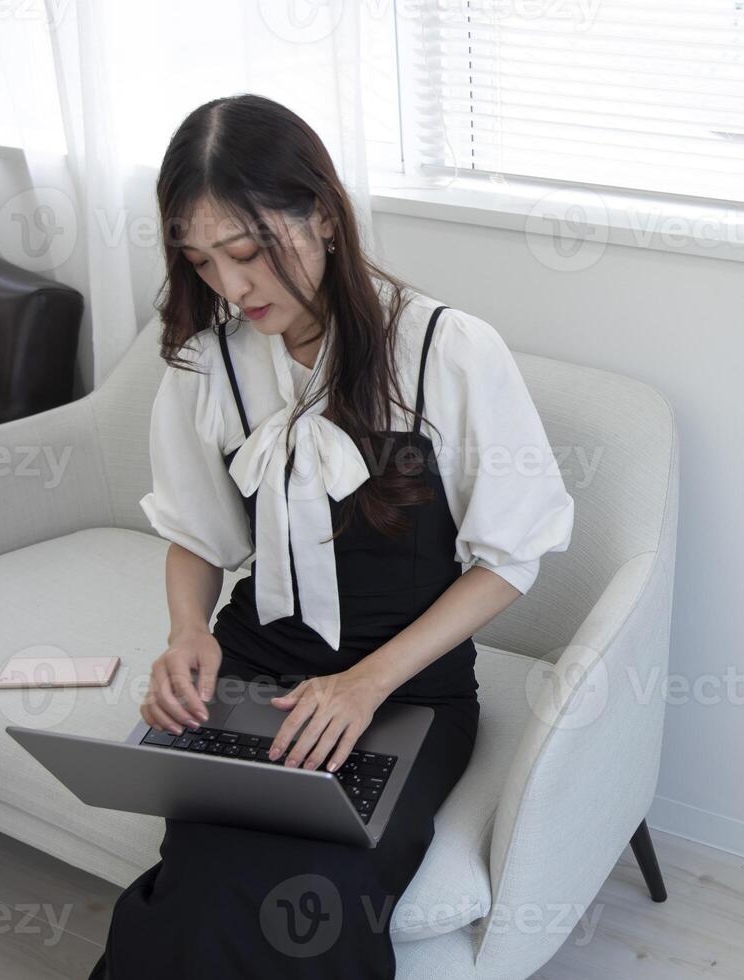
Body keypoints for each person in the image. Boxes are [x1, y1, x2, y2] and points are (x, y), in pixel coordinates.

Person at [87, 93, 575, 979]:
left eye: (246, 253)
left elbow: (511, 560)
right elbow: (196, 537)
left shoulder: (446, 352)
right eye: (202, 261)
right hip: (254, 671)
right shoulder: (208, 363)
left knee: (315, 888)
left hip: (405, 691)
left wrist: (361, 685)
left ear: (324, 214)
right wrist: (187, 635)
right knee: (209, 878)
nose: (231, 288)